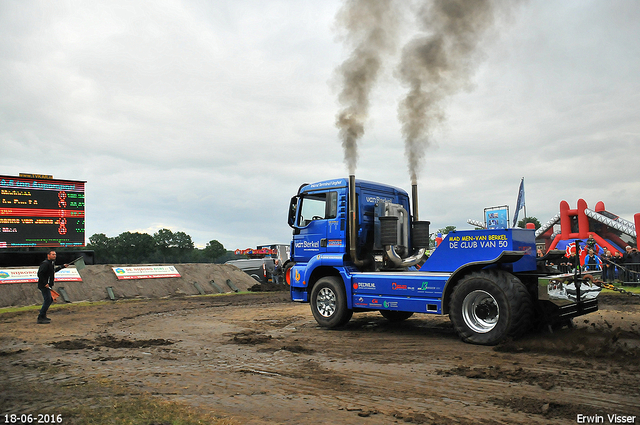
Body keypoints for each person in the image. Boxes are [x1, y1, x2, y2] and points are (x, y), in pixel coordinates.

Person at [37, 250, 68, 324]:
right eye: (53, 254)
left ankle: (43, 316)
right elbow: (40, 274)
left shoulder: (51, 263)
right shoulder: (45, 263)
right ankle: (40, 317)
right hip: (44, 285)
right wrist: (45, 283)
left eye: (55, 254)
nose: (54, 256)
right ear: (48, 255)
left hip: (47, 285)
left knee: (49, 300)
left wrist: (62, 266)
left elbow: (52, 271)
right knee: (48, 300)